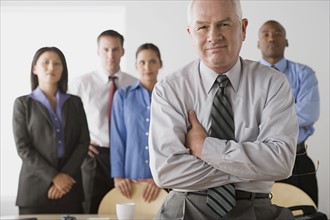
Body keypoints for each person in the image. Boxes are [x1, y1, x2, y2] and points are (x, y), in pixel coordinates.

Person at [148, 0, 299, 219]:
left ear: (244, 28)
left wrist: (205, 148)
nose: (213, 36)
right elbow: (165, 171)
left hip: (256, 208)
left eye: (224, 24)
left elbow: (281, 162)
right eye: (202, 27)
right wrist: (253, 168)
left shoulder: (273, 83)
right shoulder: (169, 89)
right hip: (186, 207)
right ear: (191, 33)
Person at [12, 46, 90, 214]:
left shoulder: (75, 103)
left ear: (63, 69)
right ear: (34, 69)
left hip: (70, 189)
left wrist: (65, 178)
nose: (51, 67)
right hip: (34, 191)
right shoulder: (23, 104)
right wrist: (54, 177)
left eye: (57, 64)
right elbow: (24, 149)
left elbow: (83, 142)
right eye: (45, 63)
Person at [69, 30, 137, 213]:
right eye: (105, 49)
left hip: (126, 158)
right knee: (91, 210)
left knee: (124, 210)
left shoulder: (134, 85)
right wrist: (78, 143)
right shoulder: (80, 84)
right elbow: (66, 120)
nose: (110, 55)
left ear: (123, 51)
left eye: (115, 50)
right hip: (94, 157)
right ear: (98, 51)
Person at [257, 20, 320, 206]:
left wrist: (264, 117)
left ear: (286, 41)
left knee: (305, 214)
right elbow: (242, 118)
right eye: (265, 34)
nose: (271, 38)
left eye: (278, 33)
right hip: (259, 163)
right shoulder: (246, 76)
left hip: (297, 162)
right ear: (257, 42)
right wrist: (289, 114)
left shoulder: (305, 74)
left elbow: (309, 113)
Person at [111, 43, 163, 202]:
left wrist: (163, 177)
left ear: (160, 64)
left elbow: (175, 138)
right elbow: (118, 137)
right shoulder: (122, 96)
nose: (147, 66)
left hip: (162, 179)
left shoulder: (169, 96)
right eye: (142, 62)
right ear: (136, 65)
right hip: (131, 179)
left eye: (152, 61)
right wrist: (118, 176)